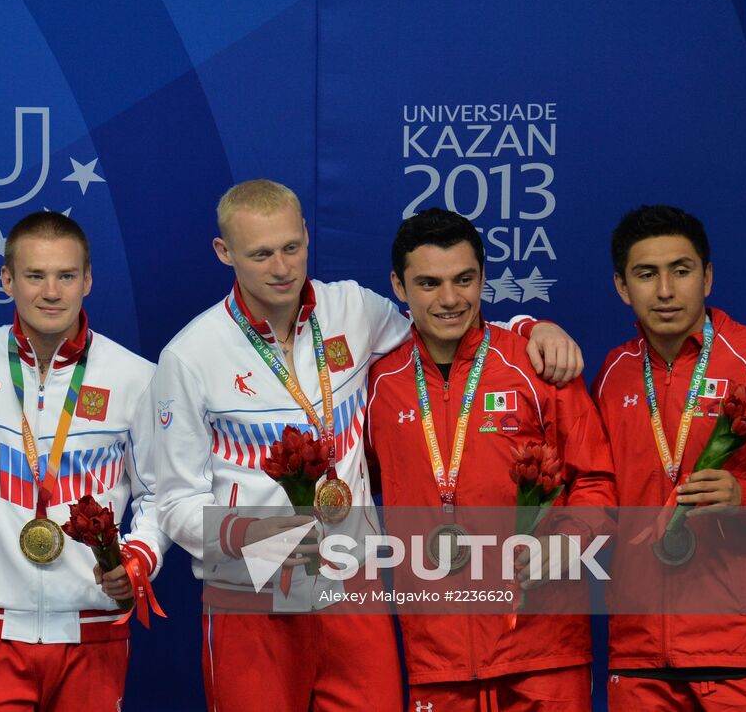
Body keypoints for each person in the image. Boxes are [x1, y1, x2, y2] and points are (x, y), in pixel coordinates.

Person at [149, 180, 584, 712]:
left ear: (307, 235)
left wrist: (530, 326)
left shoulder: (353, 308)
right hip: (252, 592)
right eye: (260, 254)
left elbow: (443, 320)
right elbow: (173, 504)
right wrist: (252, 534)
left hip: (353, 587)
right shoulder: (191, 355)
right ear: (225, 253)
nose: (281, 268)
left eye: (291, 247)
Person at [0, 211, 169, 711]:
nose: (51, 291)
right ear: (7, 280)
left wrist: (138, 558)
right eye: (35, 276)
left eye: (66, 276)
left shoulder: (135, 378)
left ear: (87, 280)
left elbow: (162, 492)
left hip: (93, 633)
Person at [593, 204, 746, 710]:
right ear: (623, 287)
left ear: (707, 277)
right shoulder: (612, 373)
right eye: (647, 274)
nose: (665, 290)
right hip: (642, 659)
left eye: (681, 271)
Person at [364, 208, 615, 711]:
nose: (451, 299)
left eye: (464, 279)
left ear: (483, 277)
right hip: (437, 653)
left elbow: (596, 479)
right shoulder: (378, 385)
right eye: (429, 283)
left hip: (544, 646)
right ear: (398, 285)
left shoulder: (537, 363)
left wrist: (571, 541)